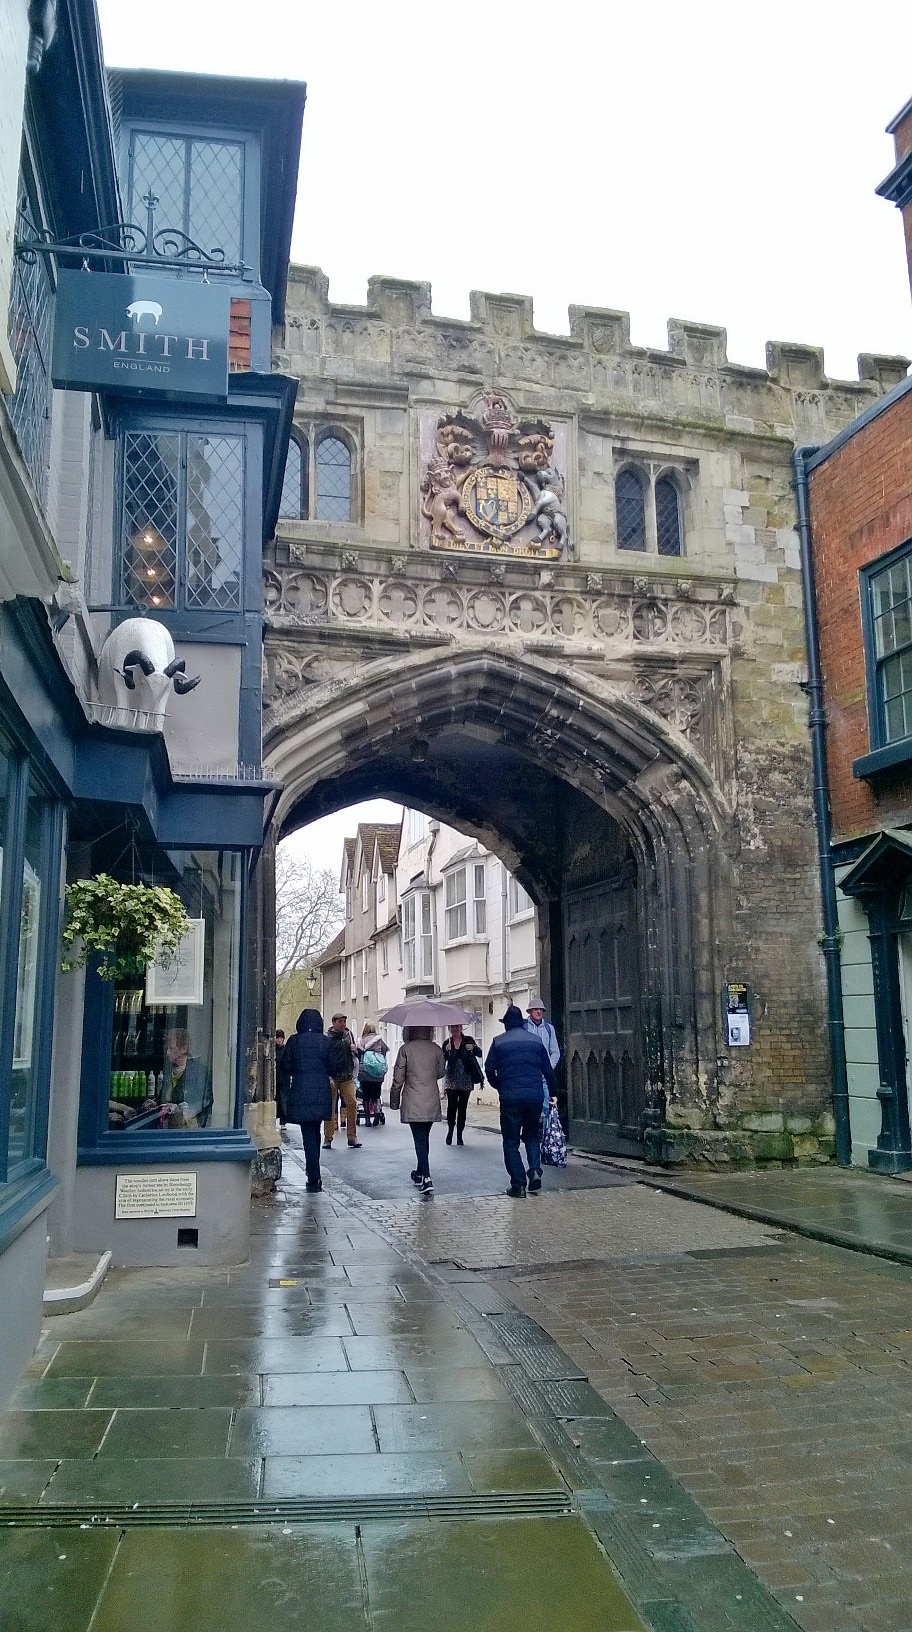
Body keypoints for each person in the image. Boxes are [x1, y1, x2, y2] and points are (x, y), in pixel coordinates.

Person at [484, 1005, 557, 1197]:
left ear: (506, 1024)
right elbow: (548, 1071)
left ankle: (518, 1185)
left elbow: (489, 1069)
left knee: (511, 1141)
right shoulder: (536, 1041)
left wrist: (499, 1085)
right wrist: (553, 1094)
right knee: (532, 1136)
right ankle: (534, 1171)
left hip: (510, 1097)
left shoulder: (498, 1042)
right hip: (534, 1096)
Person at [277, 1009, 334, 1191]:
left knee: (308, 1134)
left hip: (301, 1091)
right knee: (315, 1132)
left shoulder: (294, 1041)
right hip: (320, 1092)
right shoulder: (325, 1042)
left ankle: (313, 1175)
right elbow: (333, 1066)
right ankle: (314, 1172)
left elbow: (285, 1065)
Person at [389, 1025, 444, 1195]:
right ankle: (420, 1172)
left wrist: (394, 1101)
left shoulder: (406, 1049)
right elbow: (441, 1072)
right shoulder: (436, 1049)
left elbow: (398, 1078)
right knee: (424, 1138)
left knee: (419, 1140)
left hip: (413, 1098)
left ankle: (426, 1177)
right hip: (431, 1098)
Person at [156, 1029, 213, 1128]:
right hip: (168, 1126)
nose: (167, 1052)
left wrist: (181, 1109)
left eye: (171, 1048)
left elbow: (205, 1101)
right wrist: (155, 1103)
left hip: (187, 1128)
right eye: (166, 1048)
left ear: (184, 1049)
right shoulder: (169, 1070)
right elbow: (164, 1098)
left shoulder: (198, 1071)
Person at [323, 1011, 362, 1149]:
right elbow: (324, 1058)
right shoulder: (327, 1038)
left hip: (347, 1076)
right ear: (334, 1023)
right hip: (332, 1077)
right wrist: (327, 1076)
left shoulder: (348, 1034)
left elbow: (358, 1053)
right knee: (330, 1107)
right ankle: (328, 1137)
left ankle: (352, 1136)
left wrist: (355, 1049)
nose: (343, 1024)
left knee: (352, 1103)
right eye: (340, 1022)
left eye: (344, 1021)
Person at [442, 1023, 484, 1146]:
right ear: (449, 1029)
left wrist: (473, 1048)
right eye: (452, 1027)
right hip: (452, 1079)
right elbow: (441, 1060)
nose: (454, 1029)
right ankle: (450, 1131)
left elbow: (480, 1053)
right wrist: (446, 1051)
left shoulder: (468, 1040)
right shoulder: (447, 1043)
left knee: (462, 1108)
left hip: (466, 1078)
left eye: (457, 1026)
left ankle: (459, 1135)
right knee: (452, 1106)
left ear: (461, 1028)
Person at [524, 997, 560, 1110]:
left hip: (544, 1079)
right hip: (528, 1078)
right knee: (530, 1111)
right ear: (530, 1011)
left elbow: (555, 1052)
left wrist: (547, 1069)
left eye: (541, 1010)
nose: (539, 1012)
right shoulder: (524, 1028)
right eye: (536, 1009)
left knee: (547, 1110)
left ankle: (546, 1128)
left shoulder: (549, 1029)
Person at [357, 1022, 389, 1127]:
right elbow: (385, 1051)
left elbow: (358, 1055)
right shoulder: (379, 1041)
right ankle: (377, 1112)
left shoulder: (361, 1041)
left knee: (366, 1096)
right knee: (376, 1095)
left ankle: (367, 1120)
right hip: (377, 1073)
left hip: (364, 1072)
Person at [275, 1029, 287, 1128]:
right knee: (275, 1099)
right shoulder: (272, 1050)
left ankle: (283, 1122)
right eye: (277, 1038)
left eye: (280, 1038)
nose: (279, 1040)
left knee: (283, 1100)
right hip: (274, 1079)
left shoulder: (286, 1050)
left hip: (284, 1078)